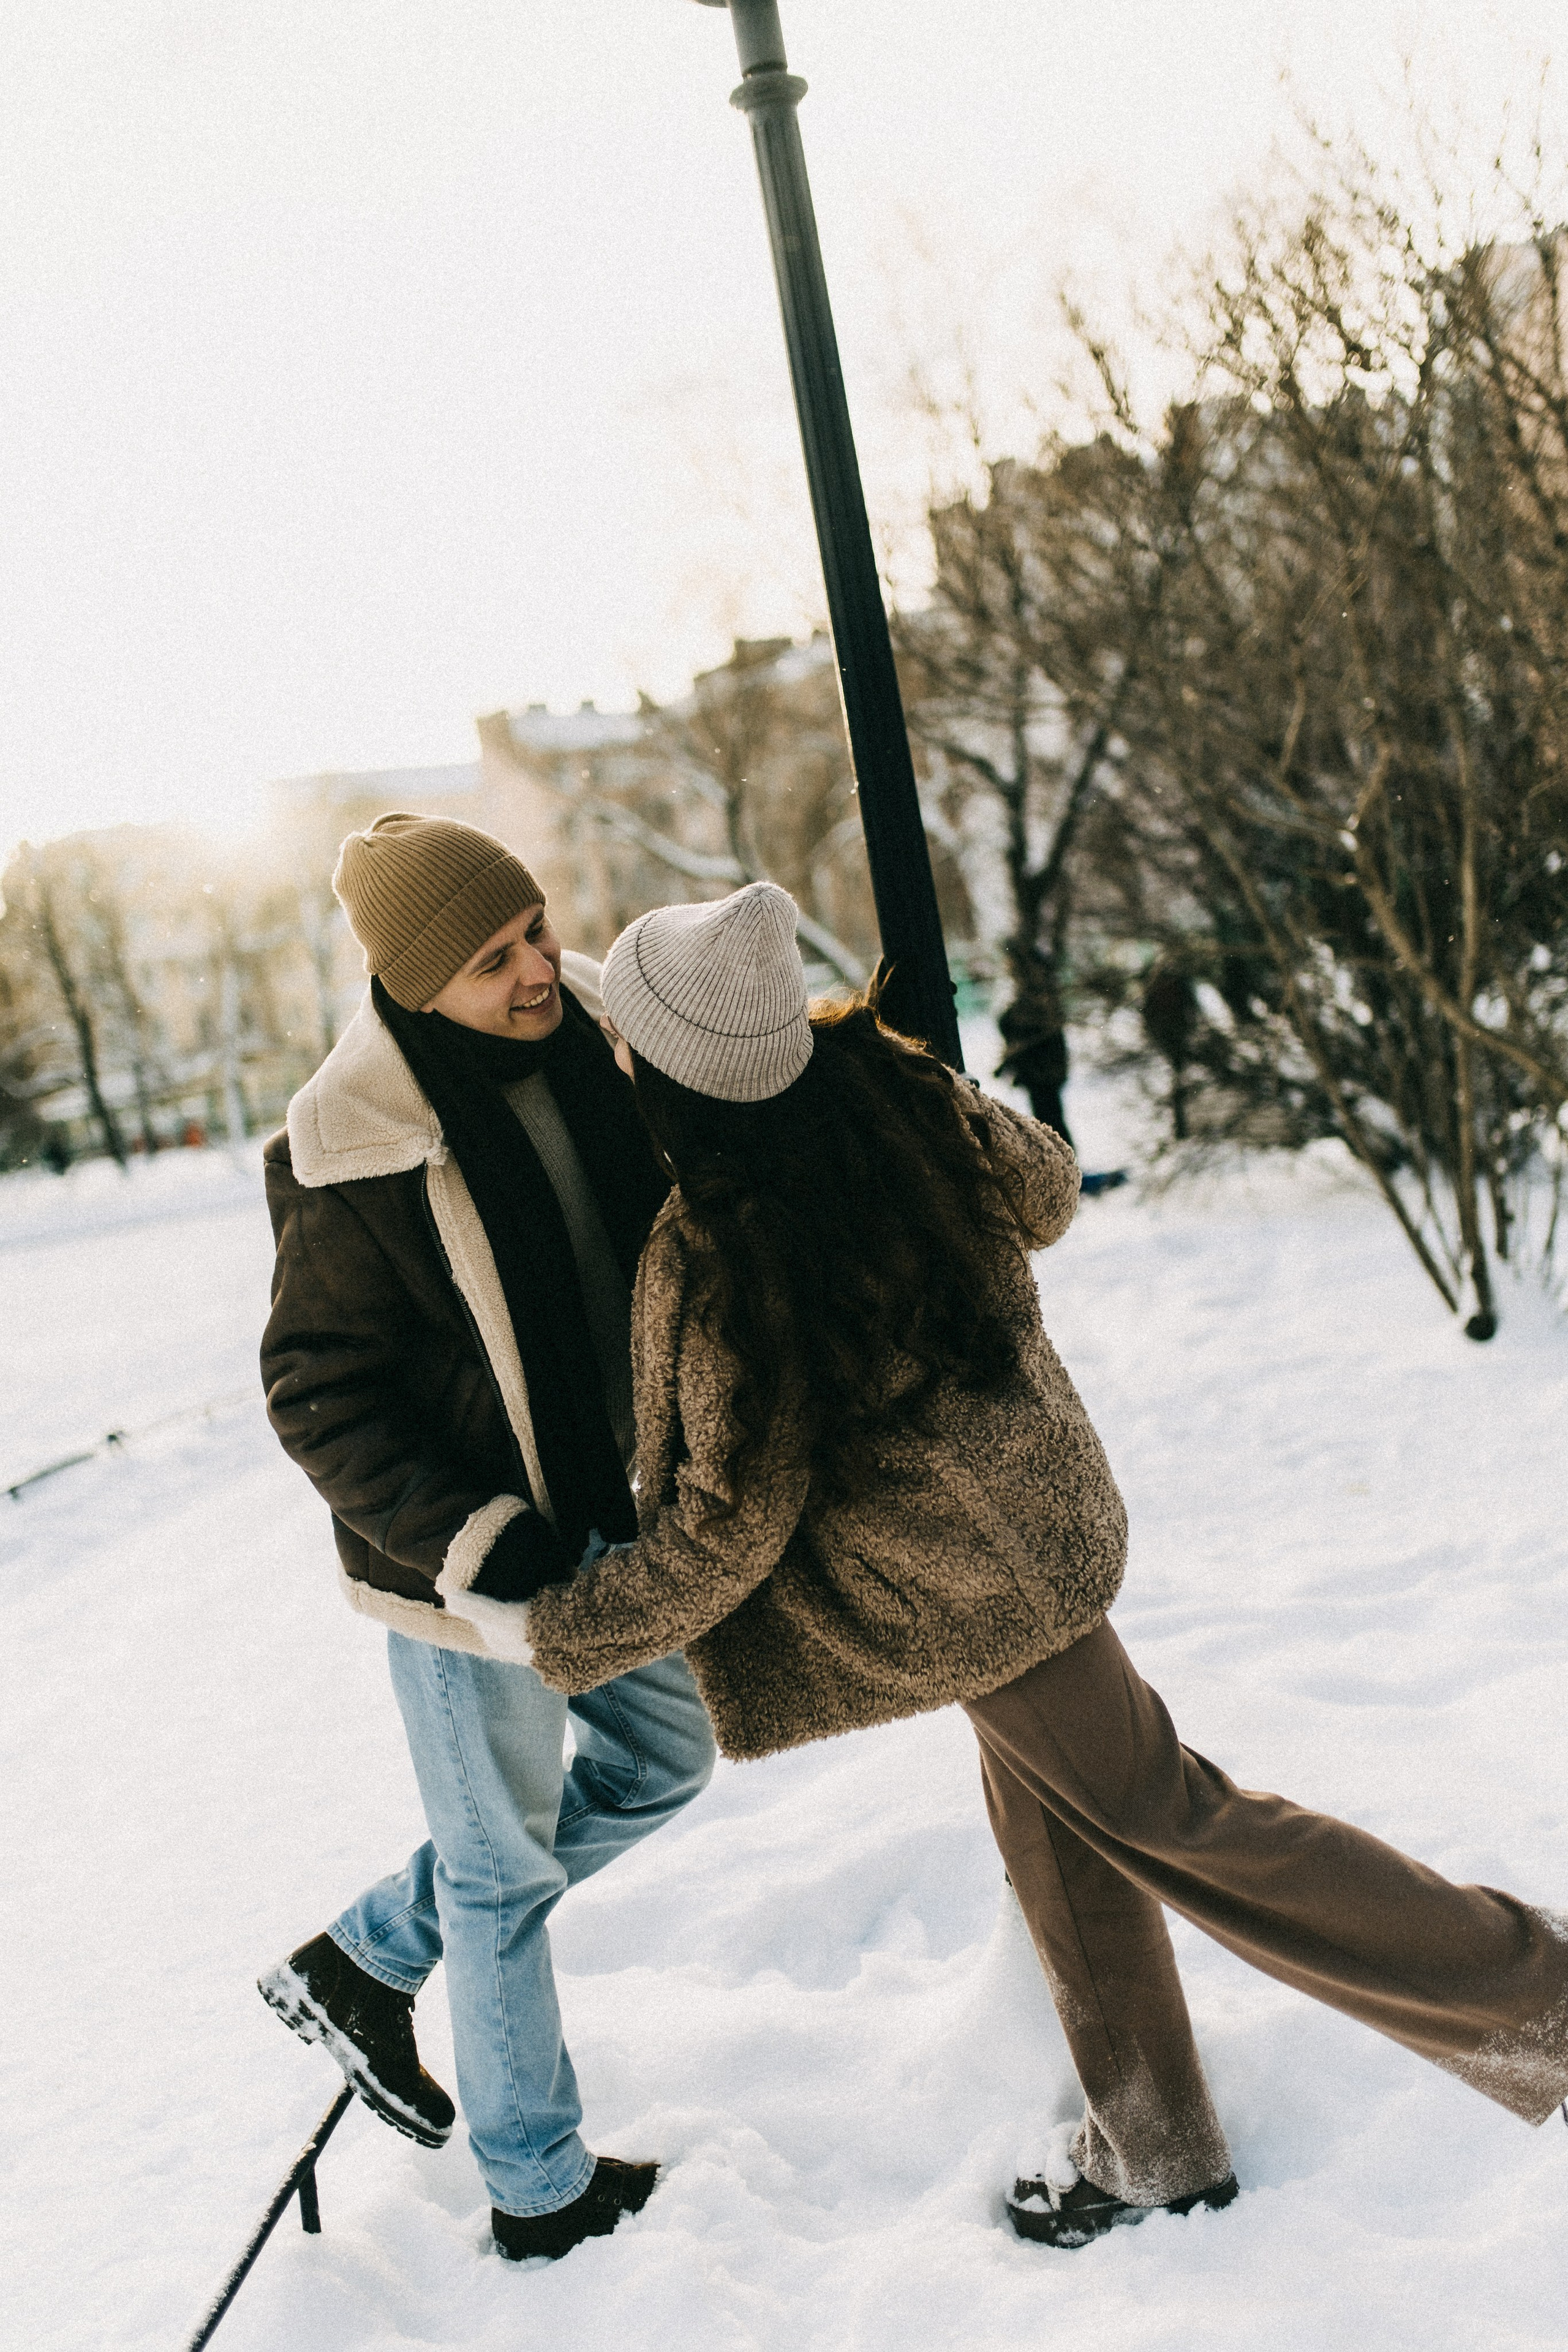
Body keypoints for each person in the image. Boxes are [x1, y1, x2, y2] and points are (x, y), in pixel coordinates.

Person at [486, 880, 1568, 2251]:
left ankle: (1542, 2002)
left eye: (628, 1036)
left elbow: (724, 1529)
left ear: (678, 1074)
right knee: (1059, 1831)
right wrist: (923, 1082)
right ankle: (1154, 2147)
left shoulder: (723, 1246)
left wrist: (558, 1628)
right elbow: (1047, 1190)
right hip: (1022, 1539)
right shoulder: (885, 1100)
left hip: (972, 1589)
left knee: (1185, 1824)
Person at [257, 813, 715, 2263]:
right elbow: (317, 1394)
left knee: (665, 1761)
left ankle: (368, 1956)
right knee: (502, 1872)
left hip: (605, 1520)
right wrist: (473, 1540)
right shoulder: (350, 1149)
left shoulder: (594, 1035)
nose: (534, 969)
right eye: (490, 961)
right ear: (413, 986)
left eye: (531, 932)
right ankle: (536, 2190)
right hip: (468, 1579)